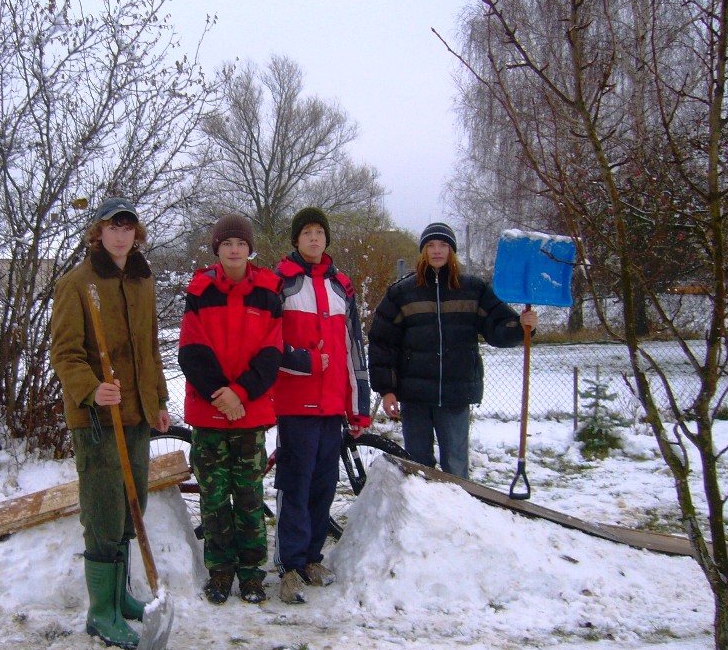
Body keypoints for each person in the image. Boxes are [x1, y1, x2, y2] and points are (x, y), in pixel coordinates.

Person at [50, 197, 171, 650]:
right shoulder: (77, 284)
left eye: (128, 226)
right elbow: (64, 353)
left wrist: (158, 399)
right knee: (103, 512)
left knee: (130, 506)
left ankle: (120, 596)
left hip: (136, 414)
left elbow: (150, 348)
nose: (120, 234)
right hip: (99, 420)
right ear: (98, 233)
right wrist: (90, 388)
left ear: (135, 234)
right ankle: (101, 612)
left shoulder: (142, 281)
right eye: (112, 226)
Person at [368, 222, 538, 480]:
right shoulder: (402, 293)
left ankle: (458, 517)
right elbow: (382, 342)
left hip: (456, 393)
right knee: (416, 467)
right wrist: (387, 389)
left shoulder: (473, 289)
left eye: (443, 245)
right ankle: (420, 516)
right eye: (431, 245)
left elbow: (497, 326)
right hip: (414, 396)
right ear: (423, 251)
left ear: (452, 251)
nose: (437, 251)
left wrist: (521, 327)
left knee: (456, 466)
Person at [178, 214, 284, 605]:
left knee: (250, 495)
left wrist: (241, 393)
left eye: (240, 243)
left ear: (249, 248)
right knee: (214, 496)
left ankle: (252, 573)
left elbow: (271, 353)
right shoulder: (201, 290)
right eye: (227, 244)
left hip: (249, 412)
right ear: (217, 249)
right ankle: (220, 571)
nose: (234, 250)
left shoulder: (270, 291)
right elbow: (191, 349)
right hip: (209, 411)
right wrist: (221, 393)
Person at [272, 207, 372, 605]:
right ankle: (290, 566)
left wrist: (358, 405)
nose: (314, 239)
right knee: (294, 484)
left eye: (319, 233)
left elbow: (354, 349)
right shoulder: (281, 283)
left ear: (326, 239)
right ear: (295, 240)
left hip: (332, 406)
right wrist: (301, 360)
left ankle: (313, 557)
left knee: (323, 485)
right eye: (306, 233)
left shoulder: (341, 286)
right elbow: (267, 344)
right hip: (295, 403)